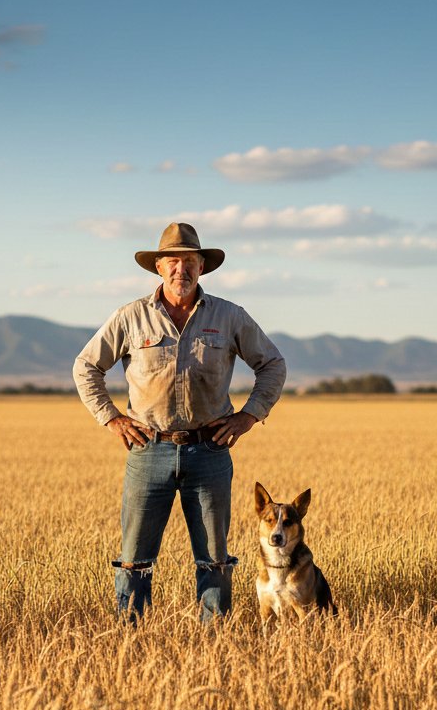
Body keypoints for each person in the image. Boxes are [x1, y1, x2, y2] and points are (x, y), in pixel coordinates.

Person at [73, 222, 286, 622]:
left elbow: (272, 364)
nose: (180, 269)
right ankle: (130, 641)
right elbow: (86, 366)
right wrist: (113, 418)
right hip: (148, 449)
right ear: (158, 267)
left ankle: (214, 642)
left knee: (214, 559)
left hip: (210, 451)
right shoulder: (131, 317)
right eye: (172, 260)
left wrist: (248, 416)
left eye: (189, 261)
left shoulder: (229, 316)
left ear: (202, 266)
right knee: (135, 558)